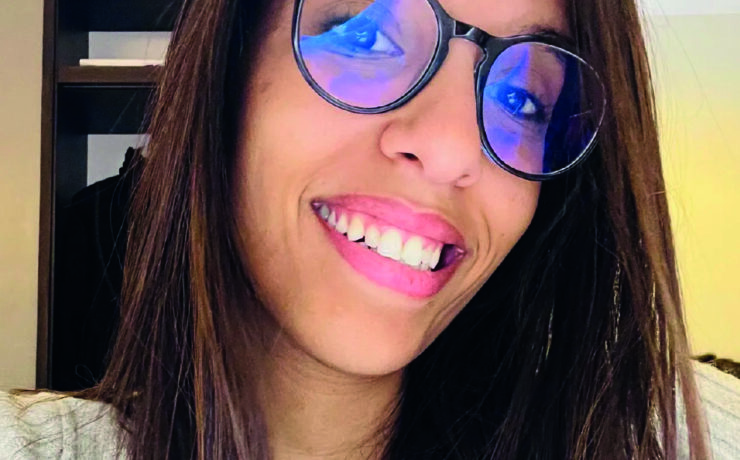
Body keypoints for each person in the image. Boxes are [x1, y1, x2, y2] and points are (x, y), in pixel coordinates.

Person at [2, 0, 739, 458]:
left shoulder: (662, 434)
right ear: (230, 65)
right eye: (366, 37)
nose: (453, 149)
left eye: (522, 98)